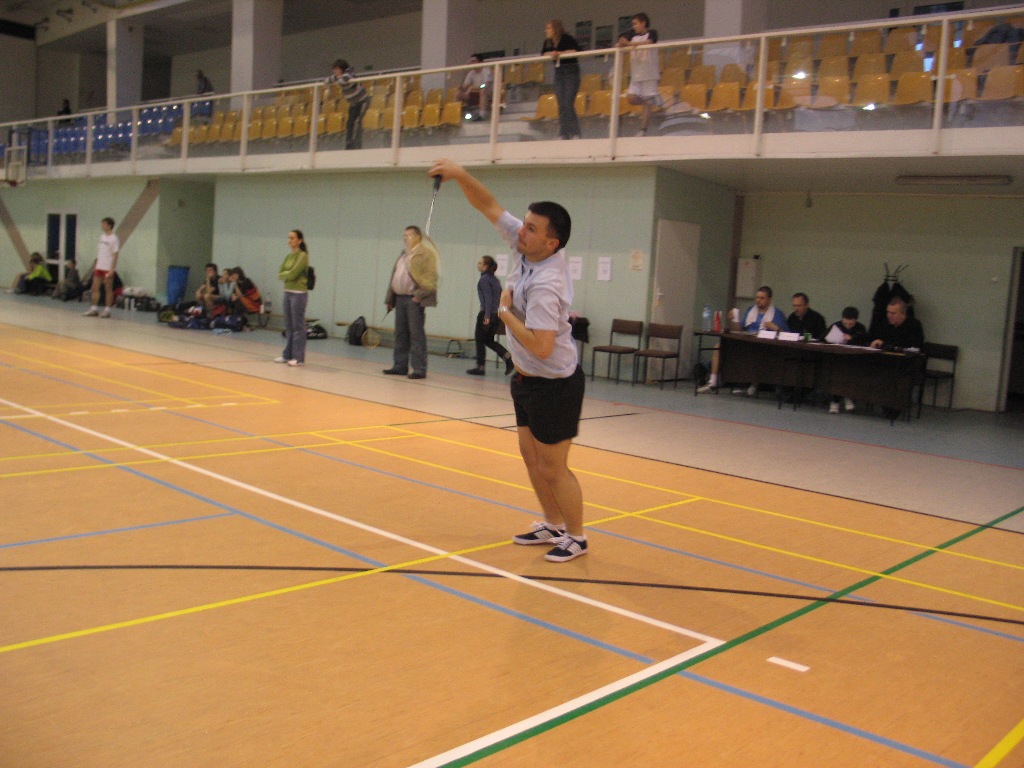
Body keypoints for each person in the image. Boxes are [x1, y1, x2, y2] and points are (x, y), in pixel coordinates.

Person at [428, 157, 588, 563]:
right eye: (525, 223)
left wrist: (504, 312)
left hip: (555, 384)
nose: (521, 230)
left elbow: (542, 346)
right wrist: (459, 175)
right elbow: (488, 205)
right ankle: (552, 522)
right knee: (530, 457)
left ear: (551, 243)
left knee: (553, 467)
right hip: (526, 377)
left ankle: (577, 535)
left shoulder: (548, 284)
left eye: (531, 228)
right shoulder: (525, 245)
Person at [696, 286, 790, 395]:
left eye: (762, 298)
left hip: (764, 346)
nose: (758, 300)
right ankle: (713, 382)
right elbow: (739, 330)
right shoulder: (751, 311)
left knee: (756, 354)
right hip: (746, 342)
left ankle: (753, 385)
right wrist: (734, 320)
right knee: (719, 347)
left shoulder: (777, 314)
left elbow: (787, 335)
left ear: (769, 299)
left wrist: (775, 328)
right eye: (757, 297)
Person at [383, 225, 438, 380]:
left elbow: (431, 278)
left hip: (414, 299)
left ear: (418, 237)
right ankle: (399, 366)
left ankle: (419, 368)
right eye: (404, 236)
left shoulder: (426, 254)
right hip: (399, 298)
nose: (405, 238)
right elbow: (394, 277)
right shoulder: (403, 254)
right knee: (400, 334)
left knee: (416, 335)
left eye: (408, 235)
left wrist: (418, 296)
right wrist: (390, 299)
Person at [467, 255, 513, 376]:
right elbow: (501, 296)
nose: (478, 264)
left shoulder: (484, 280)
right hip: (496, 315)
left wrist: (486, 316)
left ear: (485, 266)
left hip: (487, 313)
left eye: (480, 263)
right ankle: (508, 358)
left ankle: (480, 367)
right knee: (488, 340)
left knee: (479, 340)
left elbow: (488, 298)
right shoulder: (495, 280)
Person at [618, 12, 660, 136]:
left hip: (649, 73)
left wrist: (630, 44)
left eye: (636, 23)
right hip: (636, 74)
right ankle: (650, 101)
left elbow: (649, 42)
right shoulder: (632, 35)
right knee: (631, 98)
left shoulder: (652, 32)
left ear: (643, 23)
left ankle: (643, 130)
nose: (634, 26)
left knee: (647, 102)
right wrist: (622, 42)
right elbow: (621, 43)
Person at [542, 20, 582, 140]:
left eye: (548, 28)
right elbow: (543, 54)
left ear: (555, 29)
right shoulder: (548, 42)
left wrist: (559, 53)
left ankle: (575, 132)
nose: (546, 31)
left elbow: (576, 51)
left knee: (568, 102)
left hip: (571, 72)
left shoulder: (567, 38)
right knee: (561, 103)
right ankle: (563, 132)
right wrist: (551, 53)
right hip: (558, 73)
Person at [275, 229, 309, 366]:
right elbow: (280, 272)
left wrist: (286, 275)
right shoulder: (289, 256)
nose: (290, 240)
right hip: (287, 291)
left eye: (292, 238)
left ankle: (298, 357)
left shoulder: (302, 255)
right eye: (289, 238)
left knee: (298, 325)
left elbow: (294, 273)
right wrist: (285, 275)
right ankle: (287, 355)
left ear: (299, 240)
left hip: (298, 293)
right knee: (288, 325)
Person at [825, 306, 868, 414]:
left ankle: (846, 396)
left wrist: (852, 338)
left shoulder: (860, 328)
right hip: (837, 358)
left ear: (855, 321)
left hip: (853, 360)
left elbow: (864, 341)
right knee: (836, 373)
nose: (848, 326)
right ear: (842, 319)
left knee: (848, 372)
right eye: (845, 323)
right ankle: (836, 401)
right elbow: (824, 338)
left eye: (851, 324)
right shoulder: (836, 326)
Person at [326, 59, 369, 150]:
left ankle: (357, 145)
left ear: (342, 69)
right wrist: (335, 78)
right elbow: (327, 80)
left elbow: (342, 81)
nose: (334, 71)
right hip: (353, 103)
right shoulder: (339, 76)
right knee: (349, 123)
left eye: (336, 69)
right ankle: (349, 144)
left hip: (362, 101)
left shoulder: (349, 74)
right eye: (334, 69)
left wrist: (336, 78)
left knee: (357, 121)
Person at [83, 217, 119, 318]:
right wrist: (96, 265)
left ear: (109, 225)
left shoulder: (114, 238)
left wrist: (112, 269)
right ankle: (94, 308)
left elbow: (116, 254)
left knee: (108, 289)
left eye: (104, 224)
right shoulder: (102, 237)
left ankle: (107, 310)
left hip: (108, 268)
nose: (102, 226)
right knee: (95, 287)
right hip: (99, 266)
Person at [455, 54, 492, 121]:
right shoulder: (471, 73)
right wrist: (461, 87)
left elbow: (485, 84)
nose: (472, 63)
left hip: (487, 93)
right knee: (458, 94)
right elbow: (465, 86)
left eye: (474, 61)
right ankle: (457, 114)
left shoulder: (486, 70)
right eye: (471, 61)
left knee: (482, 90)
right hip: (474, 93)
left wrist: (474, 88)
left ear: (480, 62)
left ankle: (482, 115)